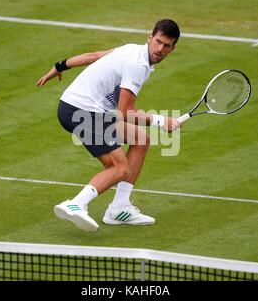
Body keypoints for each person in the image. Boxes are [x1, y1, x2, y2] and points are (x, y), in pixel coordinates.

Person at [36, 19, 181, 231]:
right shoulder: (138, 66)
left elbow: (93, 57)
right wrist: (161, 121)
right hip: (81, 111)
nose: (160, 49)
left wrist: (59, 66)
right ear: (149, 38)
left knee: (141, 140)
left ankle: (118, 209)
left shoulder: (131, 49)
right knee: (119, 168)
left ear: (172, 49)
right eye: (158, 42)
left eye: (166, 46)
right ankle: (76, 203)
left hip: (78, 107)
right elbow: (124, 113)